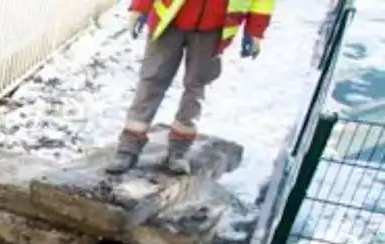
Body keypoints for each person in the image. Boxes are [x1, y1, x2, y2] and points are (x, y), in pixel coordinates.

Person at [107, 0, 272, 175]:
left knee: (196, 89)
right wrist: (141, 7)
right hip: (170, 20)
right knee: (152, 82)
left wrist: (255, 31)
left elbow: (262, 2)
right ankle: (127, 148)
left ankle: (178, 151)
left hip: (213, 29)